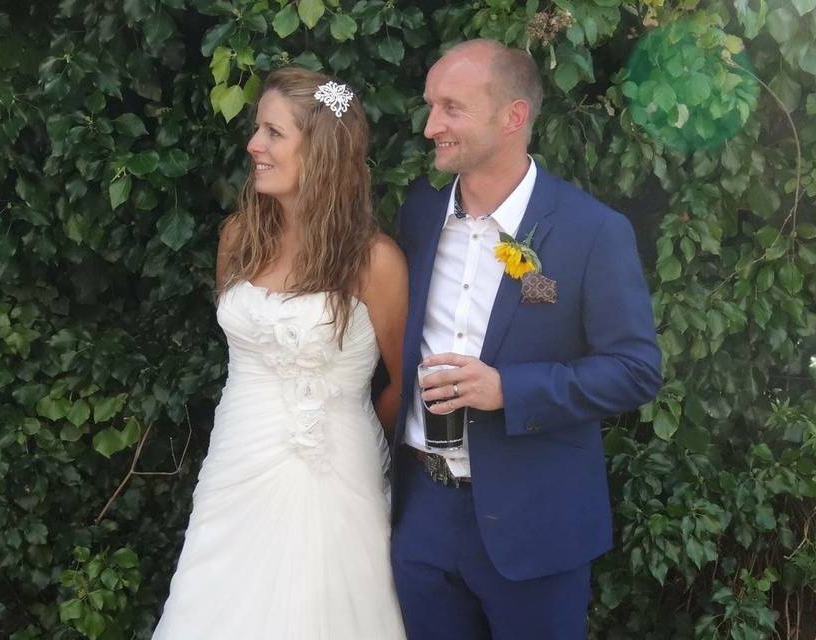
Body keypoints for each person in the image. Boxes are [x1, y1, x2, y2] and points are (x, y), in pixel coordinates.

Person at [391, 40, 662, 639]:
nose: (431, 125)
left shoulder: (593, 231)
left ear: (512, 117)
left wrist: (509, 389)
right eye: (431, 106)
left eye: (451, 108)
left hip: (537, 525)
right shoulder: (417, 214)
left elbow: (637, 368)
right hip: (423, 517)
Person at [152, 67, 408, 639]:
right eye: (257, 130)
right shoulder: (239, 237)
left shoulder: (376, 262)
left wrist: (350, 431)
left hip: (332, 472)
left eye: (273, 132)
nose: (253, 145)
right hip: (237, 457)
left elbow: (402, 382)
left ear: (319, 150)